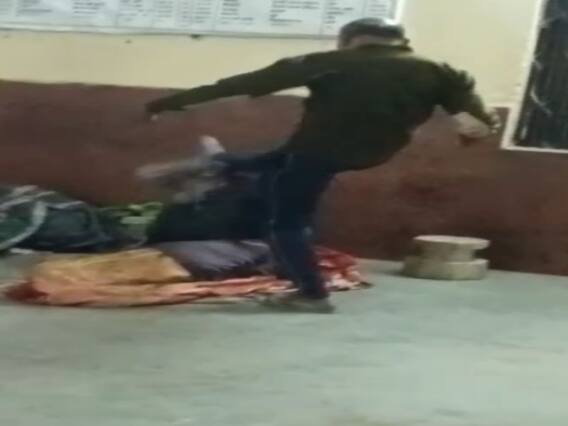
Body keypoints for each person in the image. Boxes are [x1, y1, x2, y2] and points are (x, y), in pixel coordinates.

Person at [145, 18, 499, 313]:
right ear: (401, 41)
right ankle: (218, 164)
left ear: (350, 40)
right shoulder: (441, 72)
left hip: (315, 151)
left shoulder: (329, 61)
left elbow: (240, 84)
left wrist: (169, 102)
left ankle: (312, 294)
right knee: (275, 165)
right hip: (373, 152)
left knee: (287, 221)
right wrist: (468, 133)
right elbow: (478, 124)